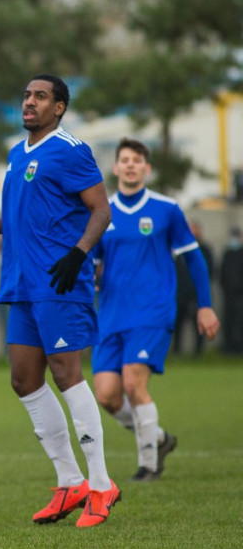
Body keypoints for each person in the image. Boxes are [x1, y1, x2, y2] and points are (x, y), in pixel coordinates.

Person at [0, 73, 118, 528]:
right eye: (26, 95)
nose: (30, 102)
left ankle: (101, 484)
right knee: (24, 380)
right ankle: (70, 482)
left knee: (67, 374)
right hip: (22, 282)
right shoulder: (16, 153)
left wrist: (78, 255)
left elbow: (102, 209)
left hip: (59, 283)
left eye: (40, 96)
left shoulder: (71, 149)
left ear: (59, 107)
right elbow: (26, 216)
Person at [91, 139, 219, 482]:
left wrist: (205, 306)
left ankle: (148, 464)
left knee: (134, 383)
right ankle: (159, 438)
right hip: (112, 315)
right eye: (125, 160)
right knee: (106, 394)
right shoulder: (103, 213)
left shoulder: (166, 209)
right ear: (116, 168)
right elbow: (94, 264)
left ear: (146, 168)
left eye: (137, 161)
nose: (131, 165)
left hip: (152, 312)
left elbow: (194, 259)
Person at [172, 221, 216, 356]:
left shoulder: (204, 251)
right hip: (180, 294)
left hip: (195, 295)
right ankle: (177, 351)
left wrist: (205, 302)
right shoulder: (178, 251)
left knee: (198, 324)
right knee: (178, 324)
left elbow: (208, 271)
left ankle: (198, 352)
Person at [221, 227, 243, 354]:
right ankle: (228, 348)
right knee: (228, 321)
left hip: (240, 295)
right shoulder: (227, 253)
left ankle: (239, 348)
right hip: (228, 294)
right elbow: (223, 273)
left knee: (239, 322)